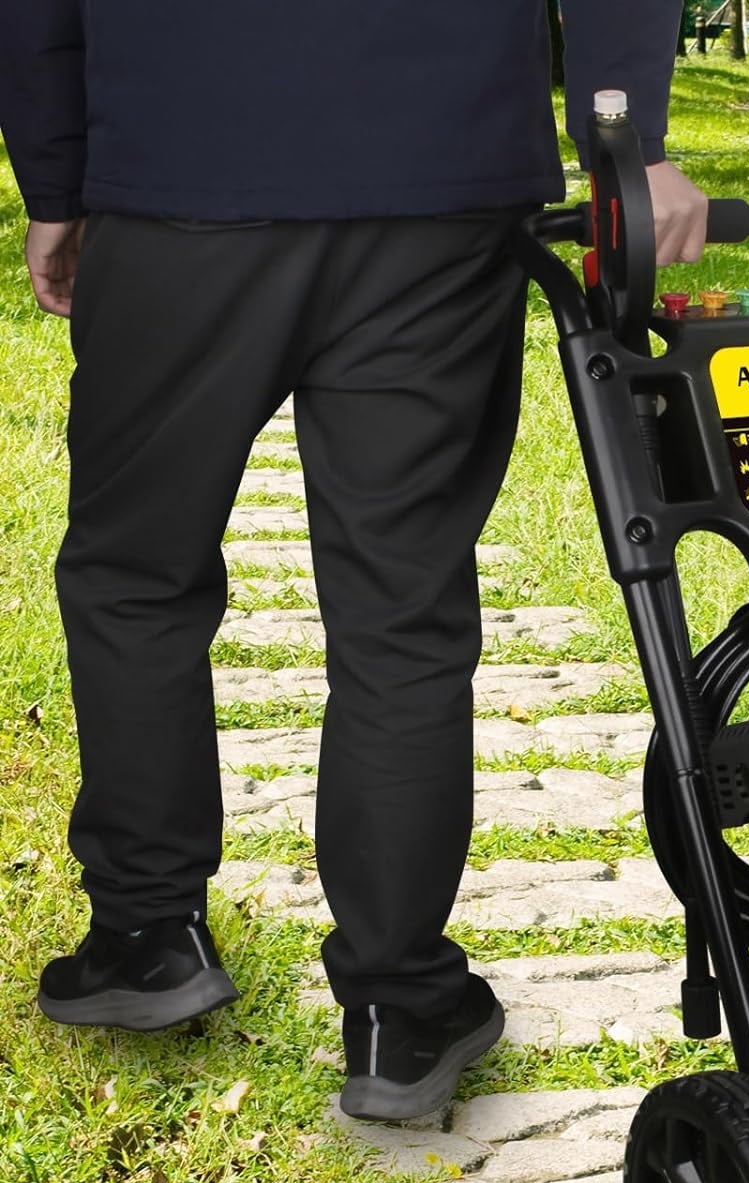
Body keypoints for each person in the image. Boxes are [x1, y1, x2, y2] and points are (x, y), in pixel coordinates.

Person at [0, 2, 707, 1123]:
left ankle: (144, 933)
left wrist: (56, 181)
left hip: (182, 163)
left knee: (136, 575)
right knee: (402, 604)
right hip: (437, 170)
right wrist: (626, 138)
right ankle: (398, 1002)